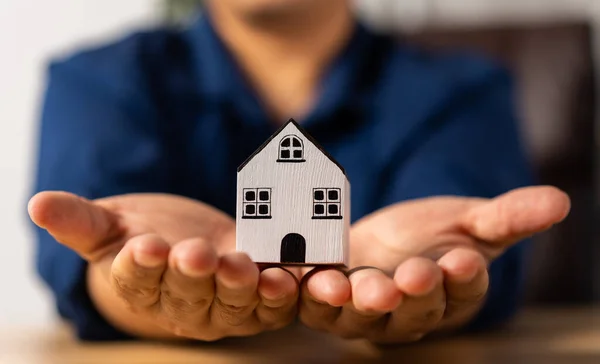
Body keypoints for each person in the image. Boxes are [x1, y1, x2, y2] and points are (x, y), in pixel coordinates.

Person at [28, 0, 570, 343]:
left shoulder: (463, 93)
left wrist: (435, 276)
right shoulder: (97, 83)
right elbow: (82, 262)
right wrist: (132, 283)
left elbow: (472, 261)